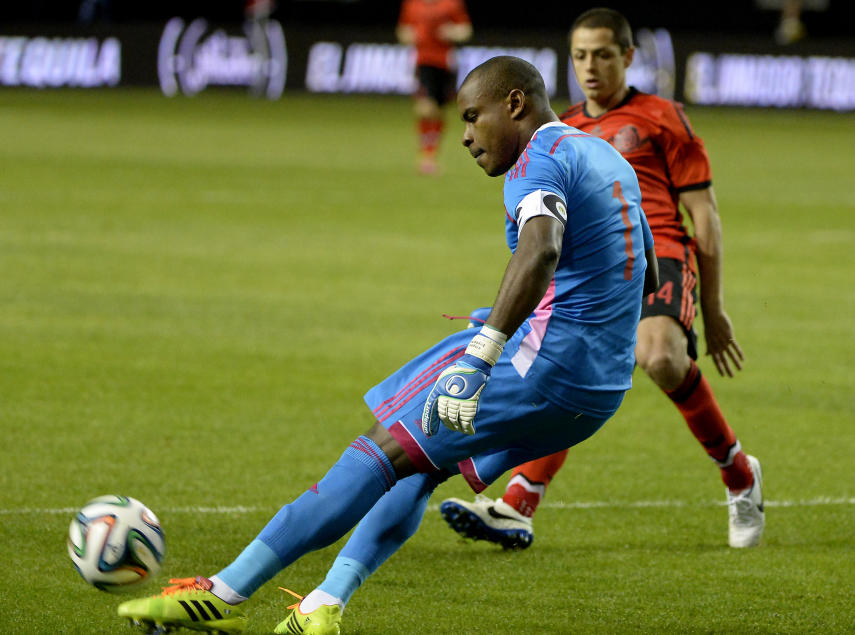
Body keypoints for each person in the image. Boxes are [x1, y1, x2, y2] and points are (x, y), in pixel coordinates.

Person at [116, 55, 657, 634]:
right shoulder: (607, 157)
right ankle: (322, 604)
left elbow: (541, 247)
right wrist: (534, 316)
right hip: (598, 392)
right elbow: (642, 274)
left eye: (474, 118)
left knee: (378, 453)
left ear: (516, 104)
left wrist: (488, 348)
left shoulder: (538, 160)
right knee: (425, 465)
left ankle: (222, 594)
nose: (467, 138)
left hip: (538, 367)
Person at [439, 7, 764, 552]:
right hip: (588, 271)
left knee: (660, 356)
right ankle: (519, 502)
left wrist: (713, 307)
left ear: (628, 57)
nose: (590, 67)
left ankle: (738, 474)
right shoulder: (557, 128)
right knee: (567, 371)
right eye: (580, 56)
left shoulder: (663, 117)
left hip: (658, 255)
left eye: (603, 55)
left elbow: (704, 215)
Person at [396, 0, 472, 174]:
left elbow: (465, 31)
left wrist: (451, 33)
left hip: (445, 64)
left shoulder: (452, 4)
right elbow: (403, 30)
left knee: (438, 110)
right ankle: (427, 158)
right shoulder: (412, 4)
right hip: (423, 63)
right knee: (425, 108)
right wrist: (410, 36)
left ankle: (431, 157)